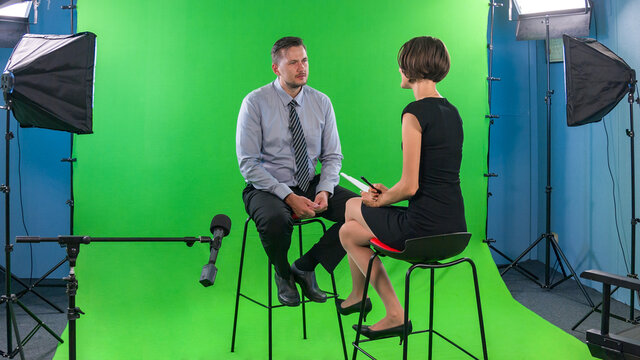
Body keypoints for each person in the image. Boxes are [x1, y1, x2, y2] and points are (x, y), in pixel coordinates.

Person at [337, 36, 467, 340]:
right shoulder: (453, 112)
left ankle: (391, 311)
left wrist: (379, 201)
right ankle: (360, 296)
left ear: (411, 68)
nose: (398, 69)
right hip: (456, 230)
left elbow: (410, 186)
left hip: (422, 231)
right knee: (348, 233)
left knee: (352, 206)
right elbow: (429, 178)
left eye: (401, 64)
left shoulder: (414, 113)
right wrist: (387, 194)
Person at [236, 36, 357, 307]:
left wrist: (325, 189)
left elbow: (332, 155)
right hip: (265, 186)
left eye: (304, 60)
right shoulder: (255, 103)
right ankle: (282, 273)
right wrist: (288, 197)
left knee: (361, 212)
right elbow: (248, 164)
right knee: (276, 221)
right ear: (276, 68)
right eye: (293, 62)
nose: (302, 67)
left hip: (310, 182)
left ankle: (305, 266)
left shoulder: (321, 102)